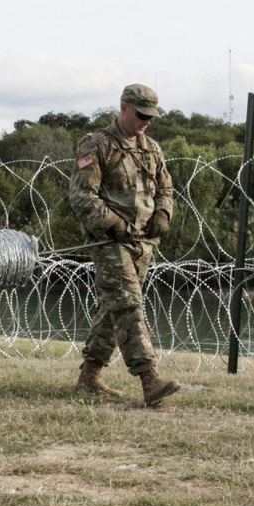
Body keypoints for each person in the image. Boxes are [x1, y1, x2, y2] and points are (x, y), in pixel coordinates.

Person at [68, 83, 181, 407]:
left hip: (143, 243)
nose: (146, 122)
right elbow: (81, 195)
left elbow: (166, 188)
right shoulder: (98, 145)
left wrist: (162, 213)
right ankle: (149, 379)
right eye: (141, 115)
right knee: (128, 304)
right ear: (123, 108)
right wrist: (113, 223)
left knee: (113, 309)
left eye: (150, 117)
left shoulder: (151, 149)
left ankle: (89, 377)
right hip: (110, 242)